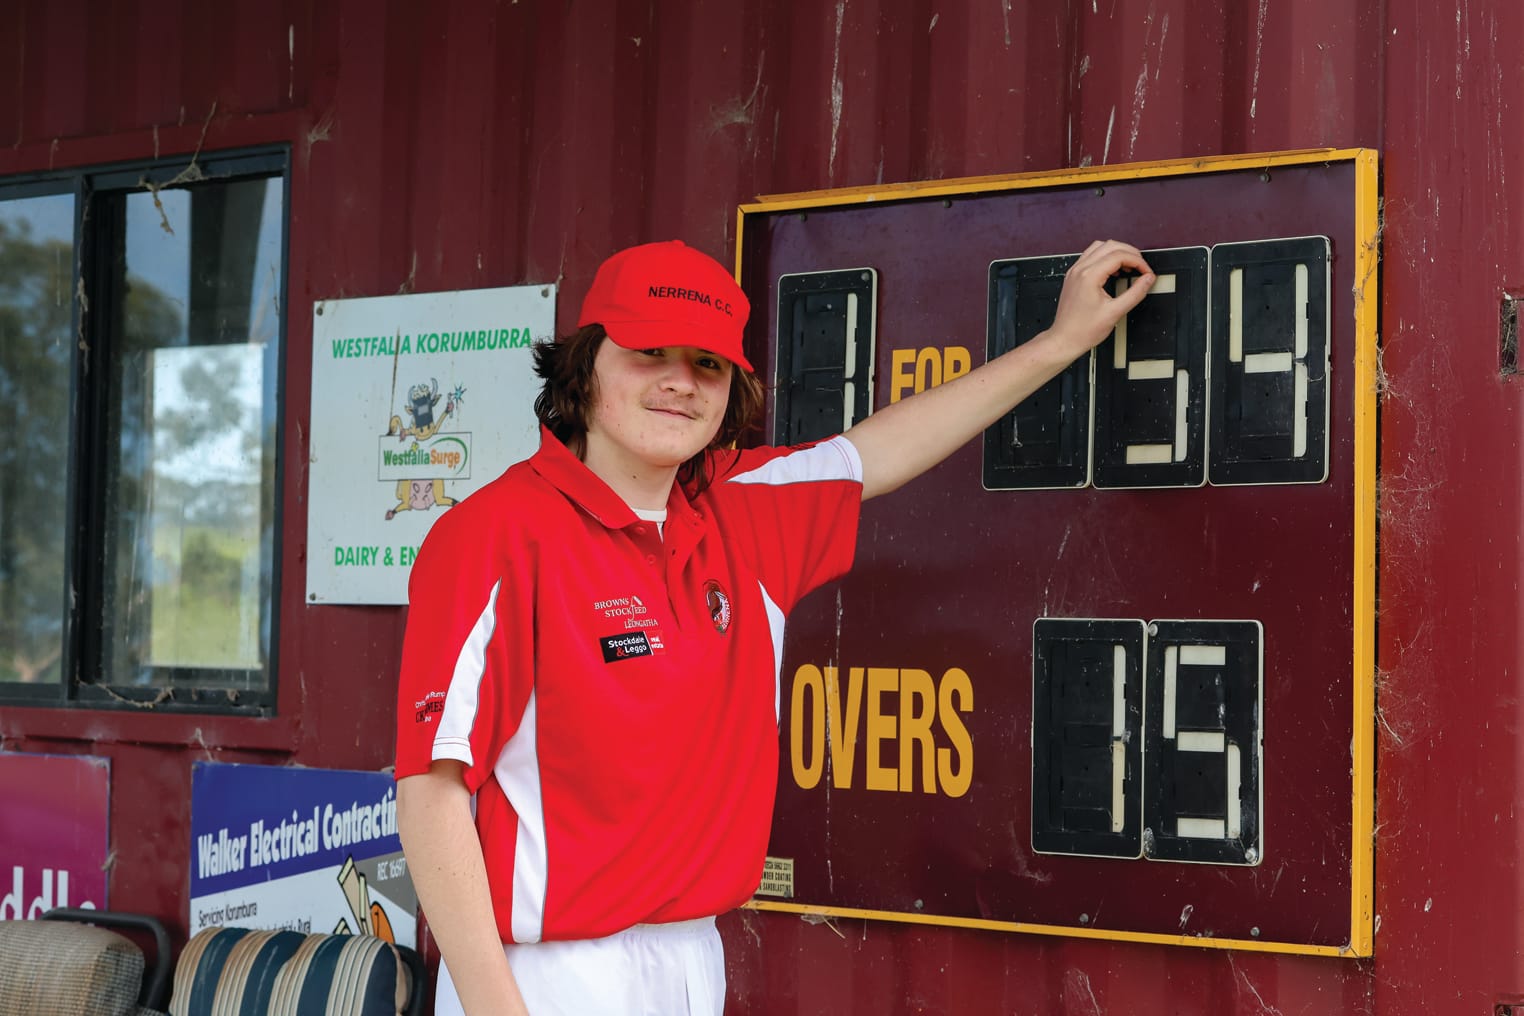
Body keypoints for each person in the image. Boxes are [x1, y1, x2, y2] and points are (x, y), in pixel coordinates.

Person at [394, 237, 1154, 1015]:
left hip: (693, 955)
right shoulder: (496, 535)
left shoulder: (743, 507)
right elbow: (432, 788)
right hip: (544, 975)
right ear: (584, 366)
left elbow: (882, 448)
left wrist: (1064, 341)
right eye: (648, 352)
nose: (679, 384)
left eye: (707, 364)